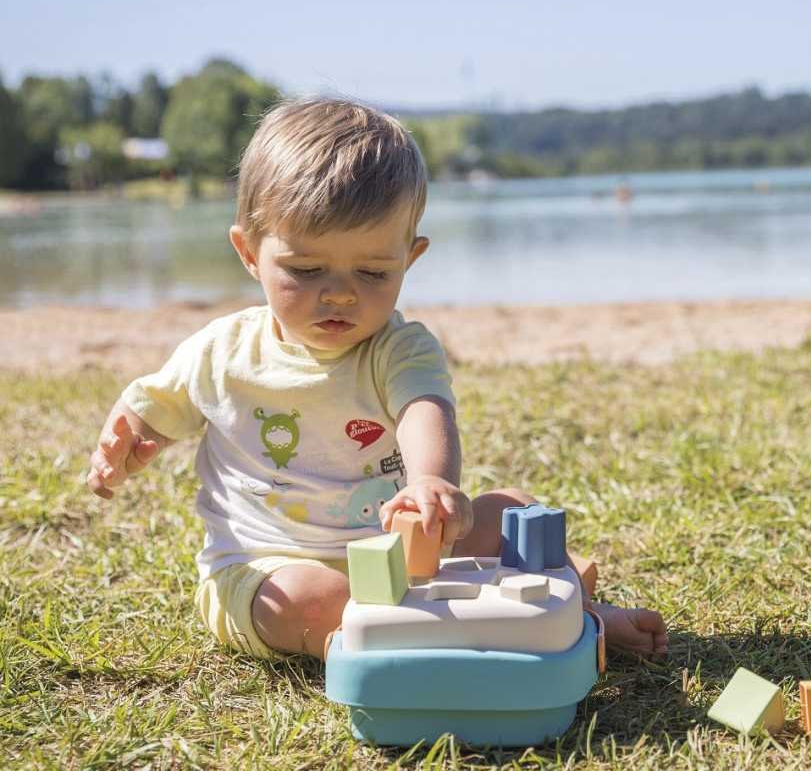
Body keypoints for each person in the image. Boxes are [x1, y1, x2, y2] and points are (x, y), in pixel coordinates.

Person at [86, 99, 668, 662]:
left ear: (409, 259)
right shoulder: (220, 351)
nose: (339, 292)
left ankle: (584, 614)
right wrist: (127, 445)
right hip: (267, 565)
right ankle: (453, 633)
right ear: (249, 253)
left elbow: (423, 409)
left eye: (372, 271)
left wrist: (431, 485)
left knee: (513, 512)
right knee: (311, 602)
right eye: (306, 269)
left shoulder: (398, 348)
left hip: (405, 551)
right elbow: (150, 410)